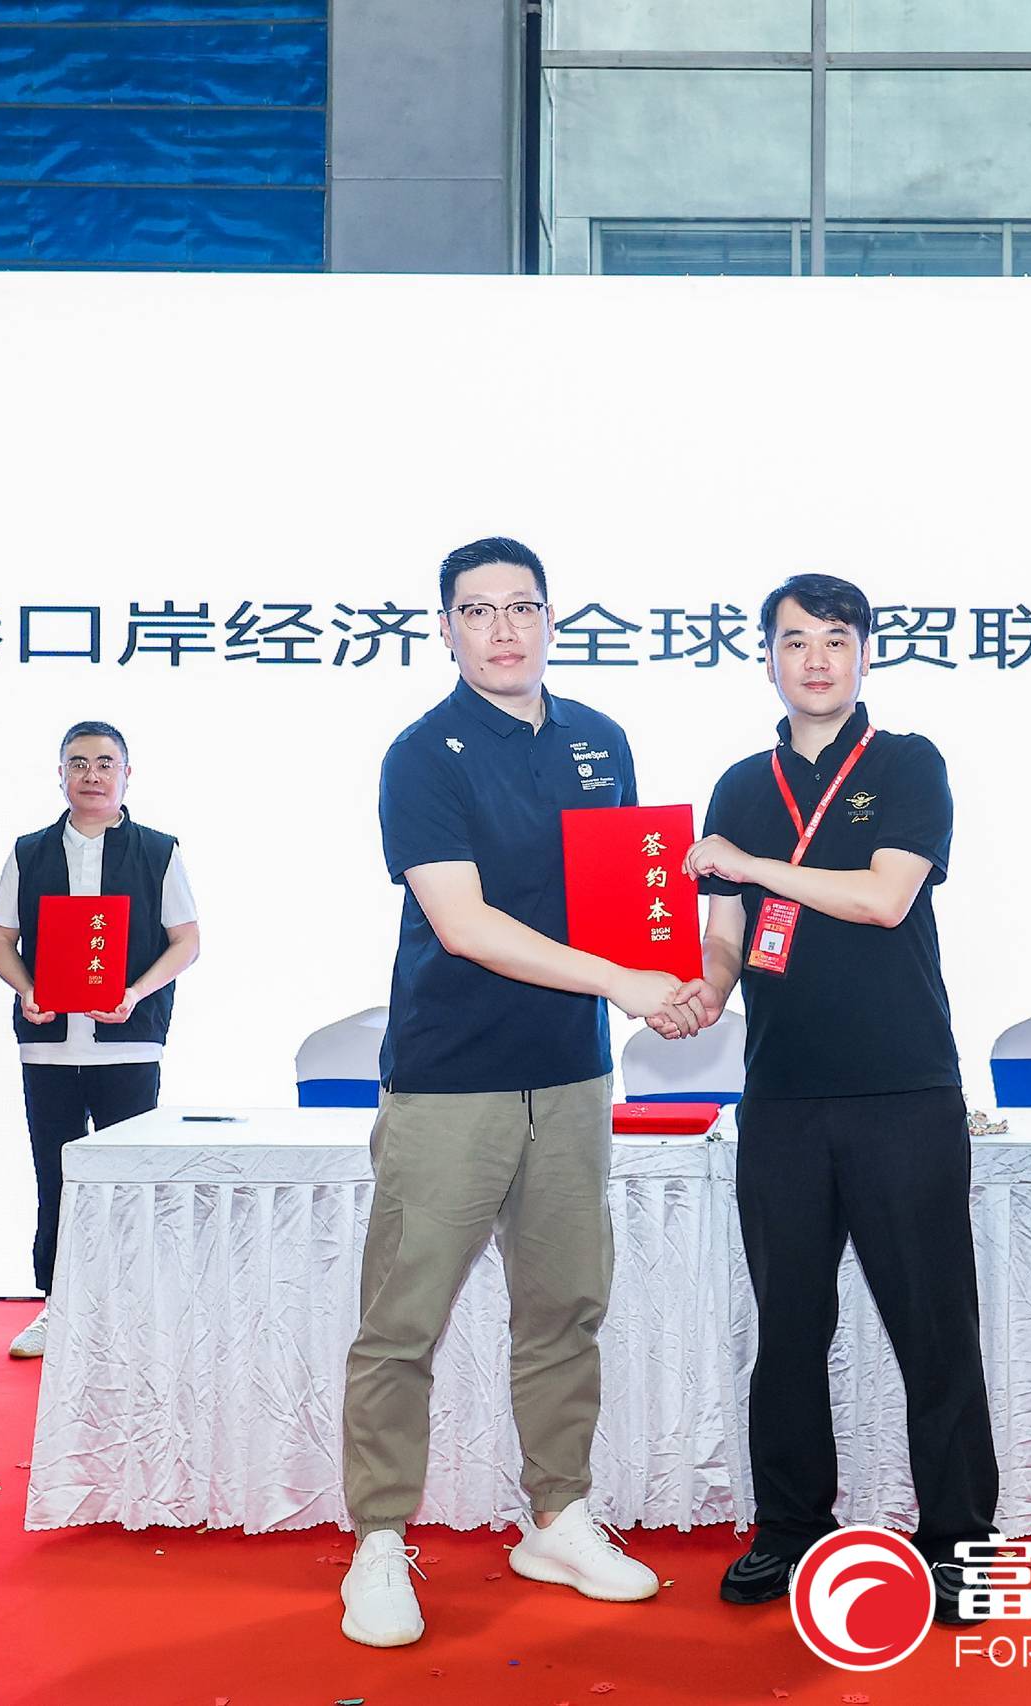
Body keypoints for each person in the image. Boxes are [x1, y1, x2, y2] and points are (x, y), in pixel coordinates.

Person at [336, 537, 704, 1648]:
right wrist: (627, 984)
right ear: (445, 628)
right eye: (477, 610)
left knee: (564, 1307)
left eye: (522, 607)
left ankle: (558, 1516)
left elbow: (622, 900)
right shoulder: (423, 755)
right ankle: (377, 1538)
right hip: (452, 1078)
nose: (503, 629)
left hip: (573, 1074)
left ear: (551, 619)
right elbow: (465, 924)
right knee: (402, 1321)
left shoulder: (601, 739)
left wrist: (671, 975)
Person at [678, 572, 999, 1624]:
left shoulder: (906, 763)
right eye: (793, 640)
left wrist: (751, 864)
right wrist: (698, 993)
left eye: (835, 638)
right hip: (780, 1096)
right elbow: (726, 933)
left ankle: (960, 1543)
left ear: (865, 653)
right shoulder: (740, 784)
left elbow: (883, 896)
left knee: (933, 1328)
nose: (814, 658)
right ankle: (787, 1527)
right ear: (766, 657)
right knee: (787, 1327)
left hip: (902, 1089)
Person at [0, 720, 200, 1359]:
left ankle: (132, 1312)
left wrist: (135, 992)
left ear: (127, 775)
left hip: (128, 1042)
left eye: (106, 763)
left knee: (129, 1182)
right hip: (48, 1043)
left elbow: (186, 940)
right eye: (78, 763)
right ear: (60, 775)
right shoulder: (29, 851)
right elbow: (0, 939)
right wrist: (26, 988)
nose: (92, 775)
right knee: (55, 1176)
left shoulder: (158, 850)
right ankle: (58, 1306)